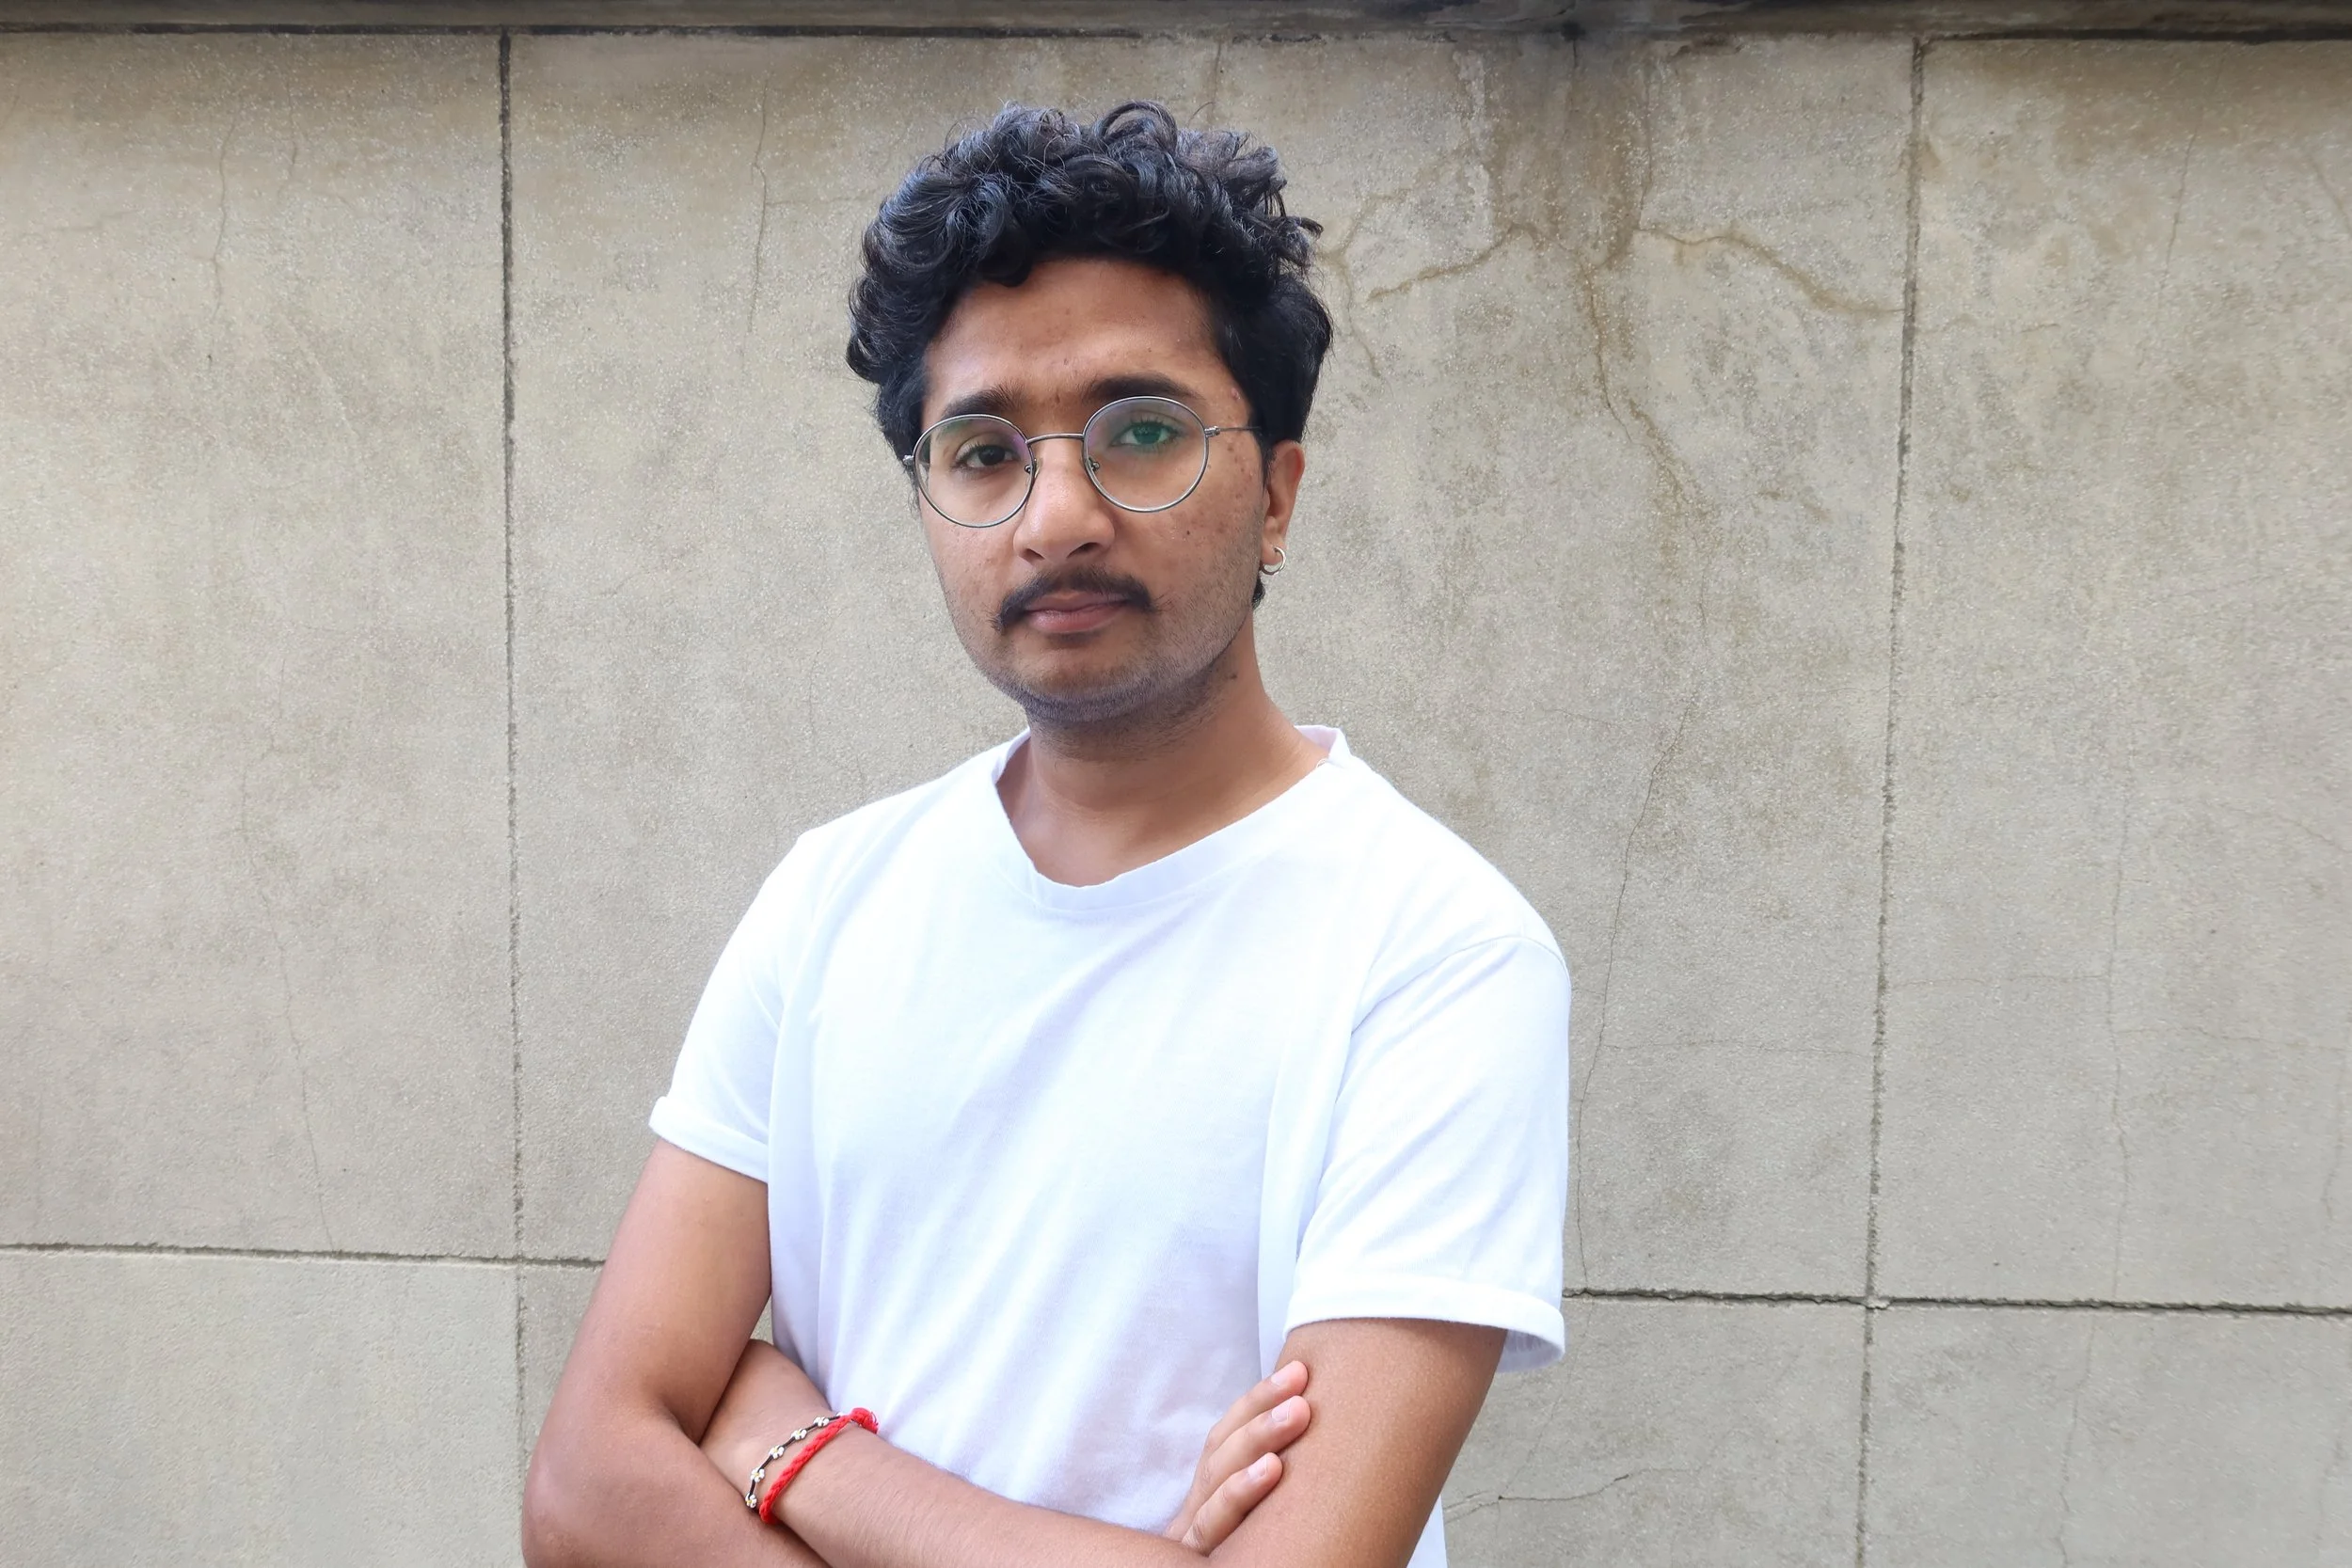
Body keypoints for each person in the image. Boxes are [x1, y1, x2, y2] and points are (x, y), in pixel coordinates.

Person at [521, 101, 1570, 1568]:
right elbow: (585, 1486)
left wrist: (793, 1445)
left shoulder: (1438, 951)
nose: (1057, 514)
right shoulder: (833, 896)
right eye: (983, 451)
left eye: (1142, 432)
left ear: (1276, 498)